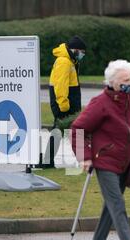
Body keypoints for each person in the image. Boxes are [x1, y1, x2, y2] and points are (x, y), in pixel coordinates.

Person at [71, 59, 130, 240]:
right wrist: (84, 157)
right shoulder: (101, 104)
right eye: (125, 80)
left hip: (125, 162)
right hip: (104, 161)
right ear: (112, 82)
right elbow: (78, 128)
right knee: (117, 204)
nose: (129, 83)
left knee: (110, 207)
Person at [41, 36, 87, 169]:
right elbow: (60, 85)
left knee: (61, 131)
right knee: (73, 130)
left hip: (66, 103)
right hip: (65, 105)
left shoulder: (69, 61)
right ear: (75, 50)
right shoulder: (64, 62)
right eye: (82, 52)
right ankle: (82, 161)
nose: (83, 55)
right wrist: (63, 105)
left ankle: (47, 162)